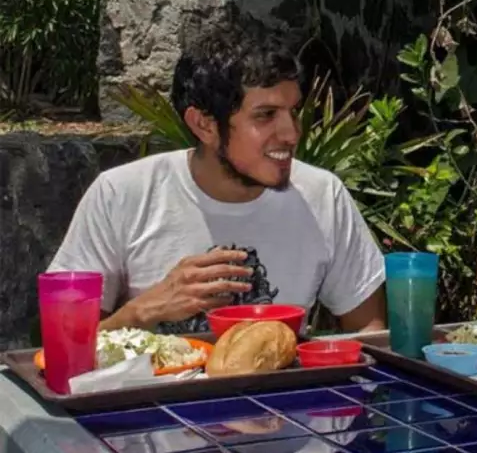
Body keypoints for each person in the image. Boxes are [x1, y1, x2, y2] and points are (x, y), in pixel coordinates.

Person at [47, 23, 386, 335]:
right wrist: (142, 311)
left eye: (292, 111)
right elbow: (61, 346)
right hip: (154, 399)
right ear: (204, 125)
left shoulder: (322, 195)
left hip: (282, 398)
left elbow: (370, 333)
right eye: (266, 115)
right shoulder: (120, 195)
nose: (291, 133)